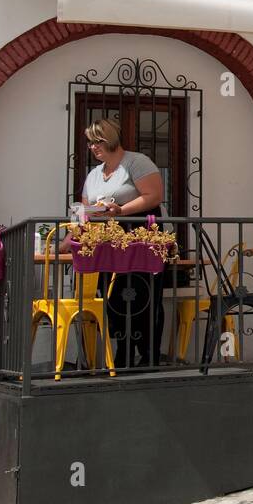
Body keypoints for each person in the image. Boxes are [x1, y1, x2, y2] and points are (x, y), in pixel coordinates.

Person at [77, 118, 167, 369]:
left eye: (97, 142)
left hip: (141, 241)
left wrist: (120, 210)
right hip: (107, 244)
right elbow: (85, 211)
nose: (93, 147)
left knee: (143, 297)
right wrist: (69, 238)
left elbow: (154, 196)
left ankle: (149, 356)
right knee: (114, 300)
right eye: (90, 143)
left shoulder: (137, 162)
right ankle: (125, 353)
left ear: (110, 140)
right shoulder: (94, 175)